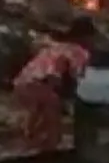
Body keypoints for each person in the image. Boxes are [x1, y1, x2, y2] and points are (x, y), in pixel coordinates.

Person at [13, 15, 98, 150]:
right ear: (86, 38)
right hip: (39, 84)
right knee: (52, 106)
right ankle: (50, 145)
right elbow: (71, 77)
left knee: (42, 110)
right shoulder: (79, 52)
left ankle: (30, 139)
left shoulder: (57, 46)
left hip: (21, 84)